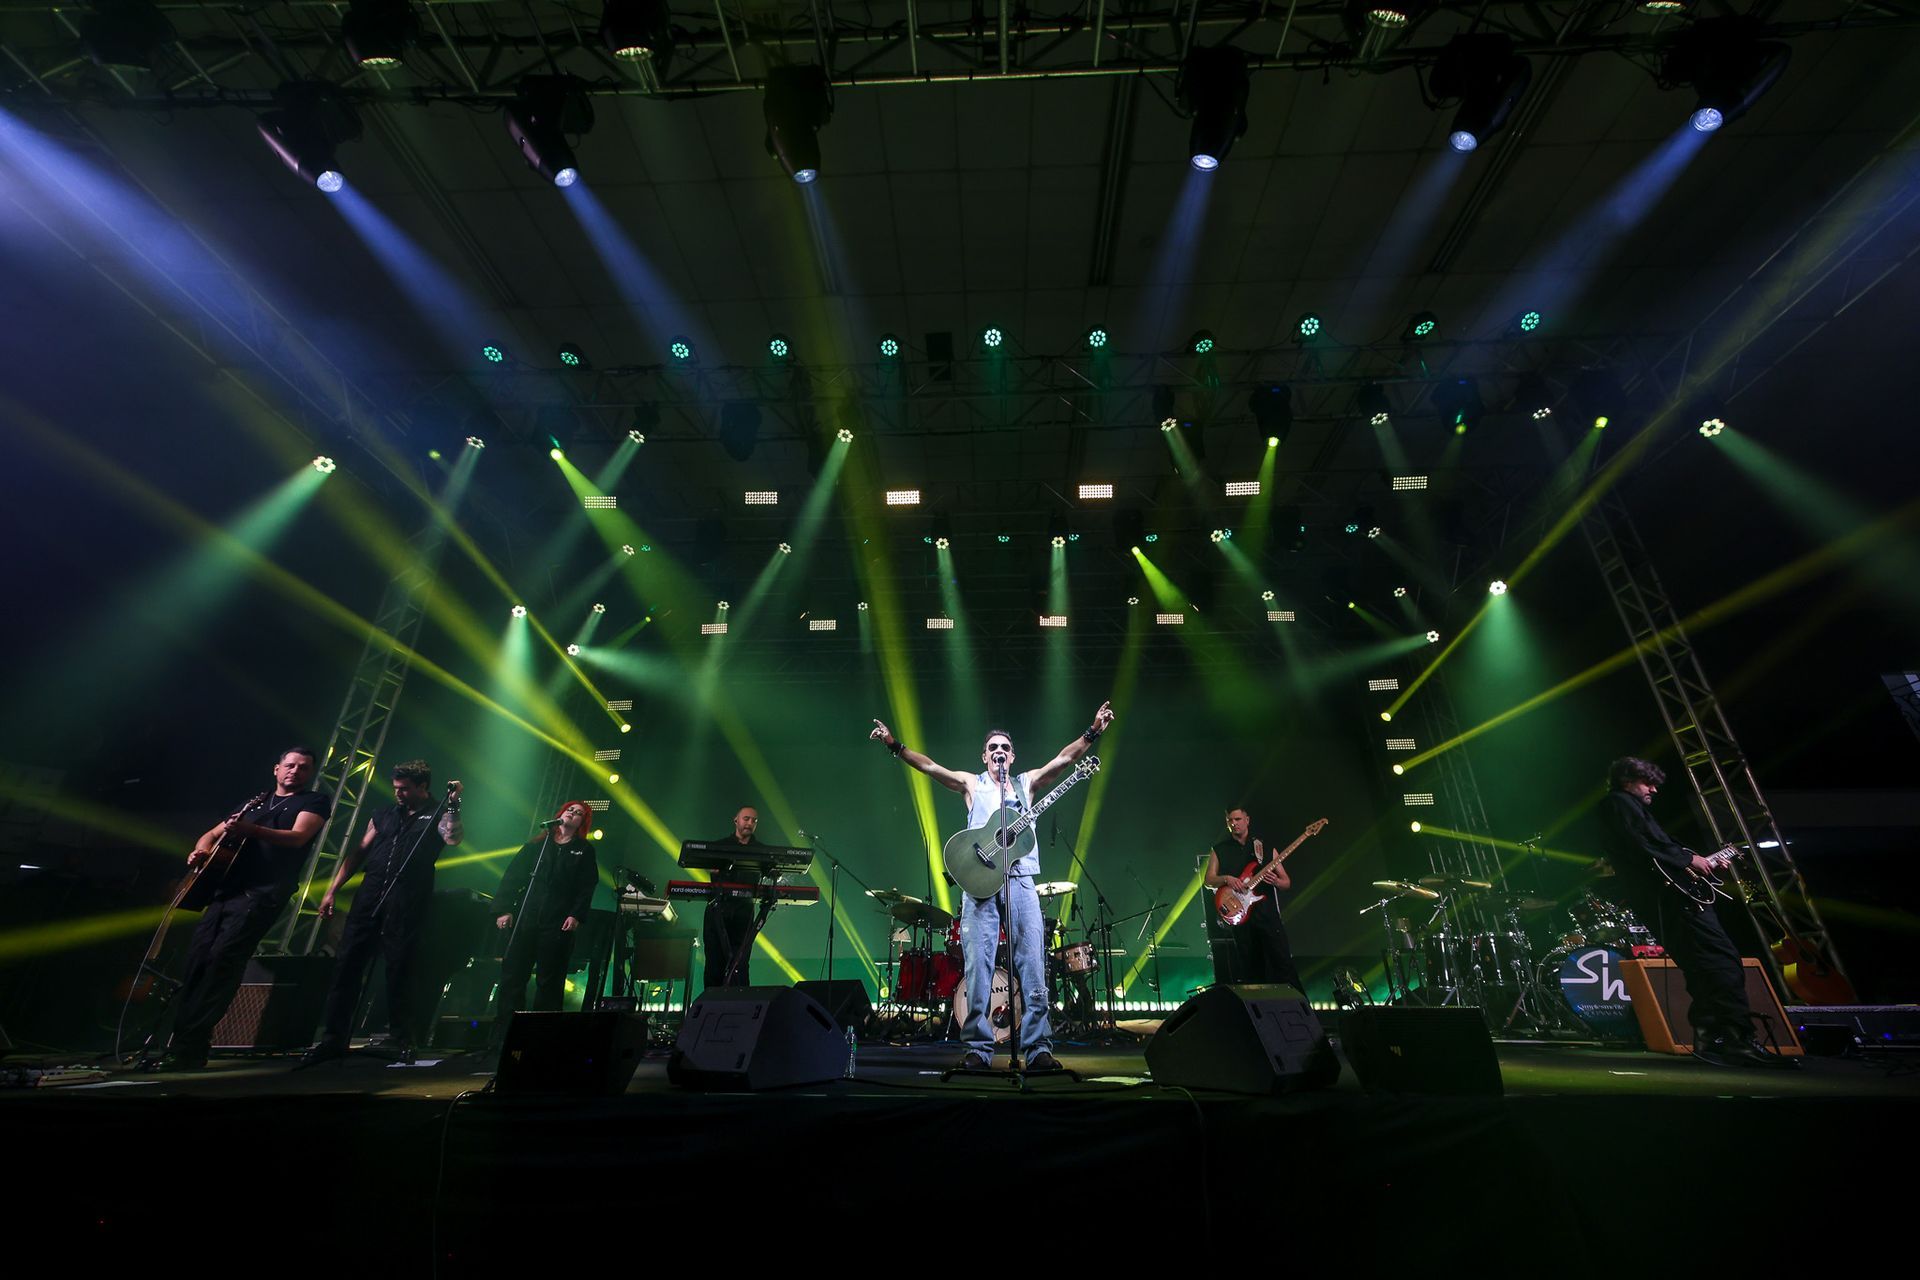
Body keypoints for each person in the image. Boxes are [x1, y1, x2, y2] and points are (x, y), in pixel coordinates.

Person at [869, 701, 1114, 1073]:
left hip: (1020, 879)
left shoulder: (1026, 783)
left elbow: (1064, 760)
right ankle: (979, 1050)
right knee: (978, 966)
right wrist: (894, 744)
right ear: (984, 756)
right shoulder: (972, 784)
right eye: (993, 747)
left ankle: (1037, 1049)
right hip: (978, 883)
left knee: (1032, 962)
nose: (999, 751)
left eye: (1005, 748)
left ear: (1012, 756)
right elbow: (931, 767)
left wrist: (1093, 731)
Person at [1596, 756, 1794, 1069]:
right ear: (1627, 781)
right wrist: (1689, 860)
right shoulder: (1619, 804)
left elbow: (1652, 848)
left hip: (1674, 897)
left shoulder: (1625, 808)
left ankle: (1711, 1037)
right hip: (1674, 901)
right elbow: (1643, 843)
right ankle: (1737, 1041)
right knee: (1721, 961)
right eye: (1648, 783)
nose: (1654, 790)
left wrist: (1700, 863)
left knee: (1703, 966)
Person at [140, 747, 330, 1071]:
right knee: (197, 962)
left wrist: (252, 831)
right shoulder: (254, 803)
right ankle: (179, 1042)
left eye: (303, 768)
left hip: (261, 894)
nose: (295, 771)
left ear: (310, 773)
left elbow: (298, 838)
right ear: (276, 768)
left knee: (222, 962)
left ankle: (190, 1047)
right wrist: (199, 852)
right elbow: (211, 834)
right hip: (224, 892)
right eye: (290, 765)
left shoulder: (312, 802)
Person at [299, 759, 462, 1067]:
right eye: (396, 787)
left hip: (408, 898)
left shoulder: (438, 813)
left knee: (400, 967)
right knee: (347, 964)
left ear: (423, 787)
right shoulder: (384, 814)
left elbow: (453, 838)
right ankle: (334, 1038)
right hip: (370, 894)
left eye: (404, 789)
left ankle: (400, 1037)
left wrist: (454, 804)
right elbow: (359, 851)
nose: (398, 793)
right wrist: (333, 890)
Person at [491, 801, 600, 1039]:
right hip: (526, 918)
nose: (572, 814)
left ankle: (542, 1037)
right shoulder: (537, 846)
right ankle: (504, 1037)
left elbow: (586, 886)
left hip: (557, 922)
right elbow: (513, 876)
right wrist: (504, 909)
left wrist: (576, 914)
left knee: (549, 980)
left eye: (579, 813)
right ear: (559, 814)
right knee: (513, 977)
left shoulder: (584, 849)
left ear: (583, 822)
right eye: (569, 810)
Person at [1203, 807, 1303, 991]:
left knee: (1282, 963)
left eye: (1238, 819)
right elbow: (1208, 880)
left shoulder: (1264, 847)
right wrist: (1227, 879)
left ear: (1247, 820)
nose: (1234, 823)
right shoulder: (1220, 849)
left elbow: (1286, 882)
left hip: (1268, 916)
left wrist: (1276, 881)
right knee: (1251, 970)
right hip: (1241, 919)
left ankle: (1300, 1009)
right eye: (1230, 821)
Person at [702, 806, 764, 989]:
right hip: (718, 908)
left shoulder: (761, 850)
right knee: (714, 963)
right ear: (736, 820)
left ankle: (741, 1007)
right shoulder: (720, 846)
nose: (750, 823)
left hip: (744, 911)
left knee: (741, 964)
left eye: (754, 820)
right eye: (746, 818)